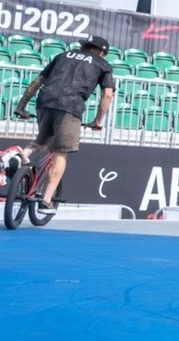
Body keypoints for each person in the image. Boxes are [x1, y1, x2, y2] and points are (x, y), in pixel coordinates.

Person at [12, 36, 117, 218]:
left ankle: (23, 154)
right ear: (102, 52)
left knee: (45, 138)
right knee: (61, 152)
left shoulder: (63, 55)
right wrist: (98, 121)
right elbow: (107, 96)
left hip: (45, 101)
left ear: (83, 46)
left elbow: (37, 82)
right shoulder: (103, 64)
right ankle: (46, 201)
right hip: (70, 105)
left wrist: (21, 106)